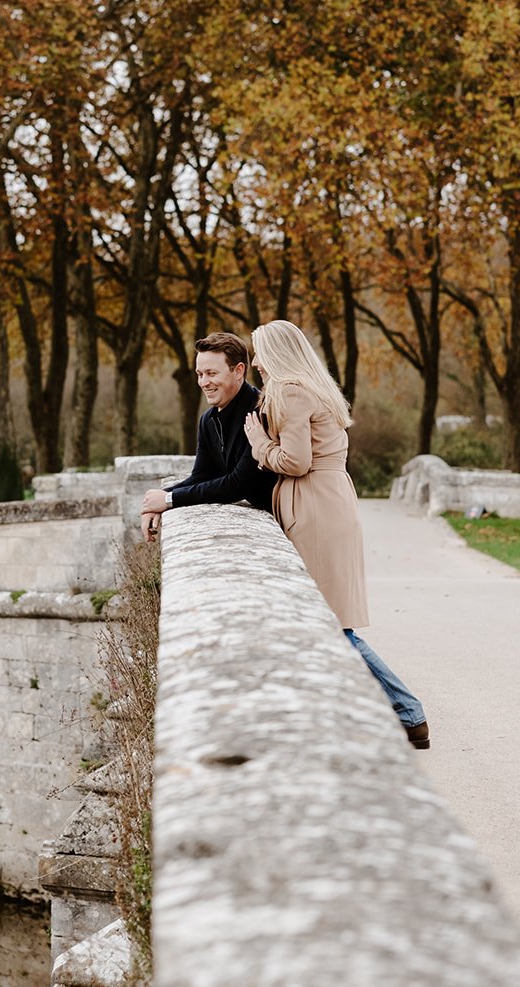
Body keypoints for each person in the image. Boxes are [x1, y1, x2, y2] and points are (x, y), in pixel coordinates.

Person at [242, 319, 430, 750]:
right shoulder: (312, 386)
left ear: (276, 352)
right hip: (330, 500)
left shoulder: (289, 391)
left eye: (258, 352)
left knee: (329, 625)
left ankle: (408, 712)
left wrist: (258, 445)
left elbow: (295, 461)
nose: (255, 363)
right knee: (324, 620)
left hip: (315, 506)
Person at [140, 331, 275, 544]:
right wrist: (157, 499)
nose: (204, 382)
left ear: (239, 371)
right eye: (199, 374)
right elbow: (202, 475)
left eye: (212, 373)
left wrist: (168, 500)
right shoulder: (208, 420)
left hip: (285, 525)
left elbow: (239, 484)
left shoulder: (261, 412)